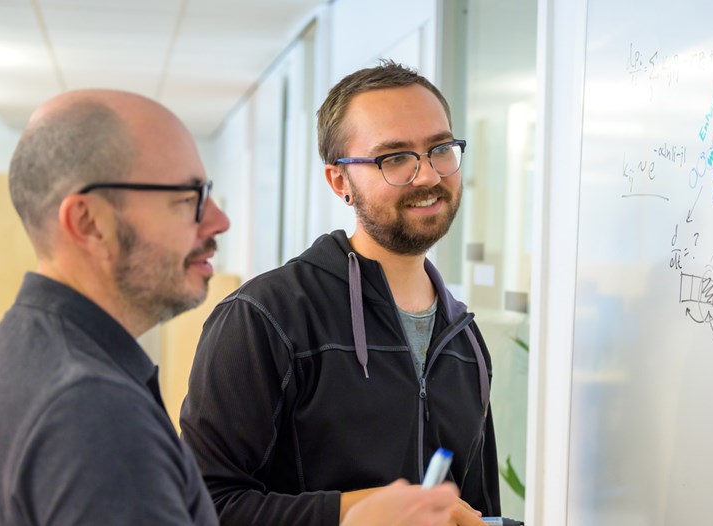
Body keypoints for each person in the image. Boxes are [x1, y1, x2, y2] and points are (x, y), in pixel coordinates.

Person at [0, 88, 459, 526]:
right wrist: (349, 517)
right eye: (189, 198)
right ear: (90, 222)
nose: (220, 221)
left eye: (439, 149)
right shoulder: (90, 411)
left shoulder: (30, 359)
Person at [180, 60, 501, 526]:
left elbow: (476, 510)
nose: (428, 176)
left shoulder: (465, 342)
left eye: (440, 149)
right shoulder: (265, 318)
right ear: (339, 182)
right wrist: (355, 514)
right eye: (395, 158)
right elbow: (203, 504)